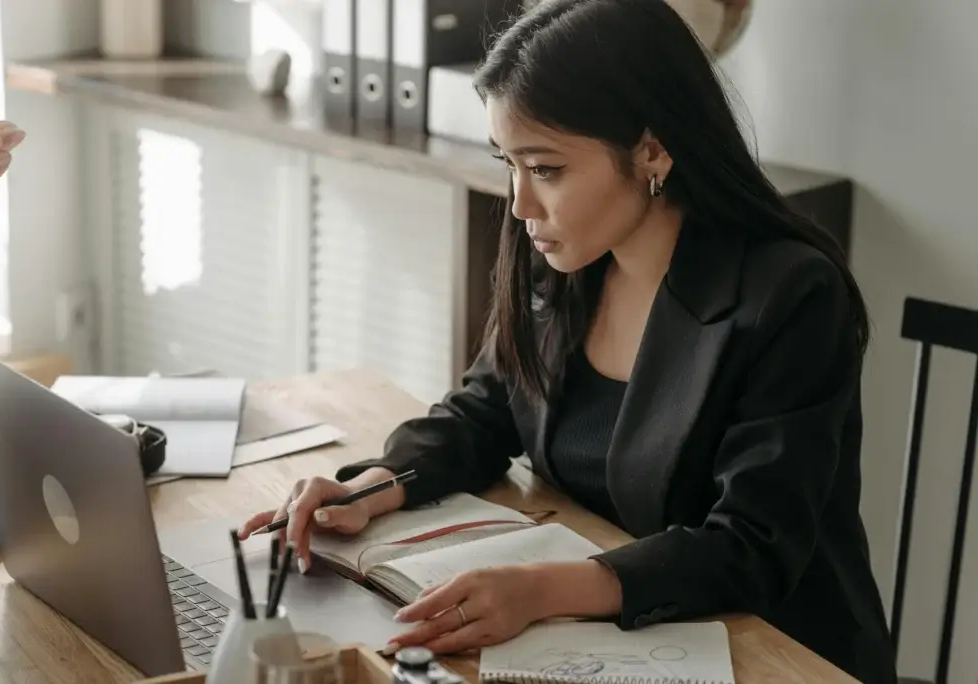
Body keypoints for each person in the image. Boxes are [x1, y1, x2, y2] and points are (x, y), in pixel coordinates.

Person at [240, 0, 897, 681]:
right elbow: (483, 412)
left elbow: (753, 547)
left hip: (774, 653)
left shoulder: (790, 296)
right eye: (510, 164)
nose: (521, 204)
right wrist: (371, 489)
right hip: (601, 645)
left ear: (652, 150)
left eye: (546, 169)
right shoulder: (566, 257)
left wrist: (543, 590)